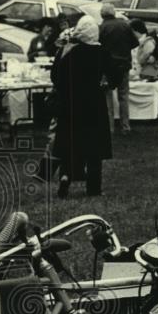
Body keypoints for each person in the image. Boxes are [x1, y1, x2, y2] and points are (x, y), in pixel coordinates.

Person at [50, 15, 112, 197]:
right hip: (94, 105)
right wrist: (106, 84)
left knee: (71, 144)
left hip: (72, 104)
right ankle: (94, 187)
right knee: (94, 149)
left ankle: (66, 176)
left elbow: (56, 77)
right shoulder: (102, 53)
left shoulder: (72, 54)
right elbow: (114, 74)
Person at [98, 3, 138, 135]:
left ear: (102, 14)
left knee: (107, 97)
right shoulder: (124, 25)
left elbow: (98, 46)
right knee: (123, 96)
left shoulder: (102, 27)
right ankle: (125, 126)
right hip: (124, 65)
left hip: (107, 66)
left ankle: (109, 127)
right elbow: (135, 42)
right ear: (114, 13)